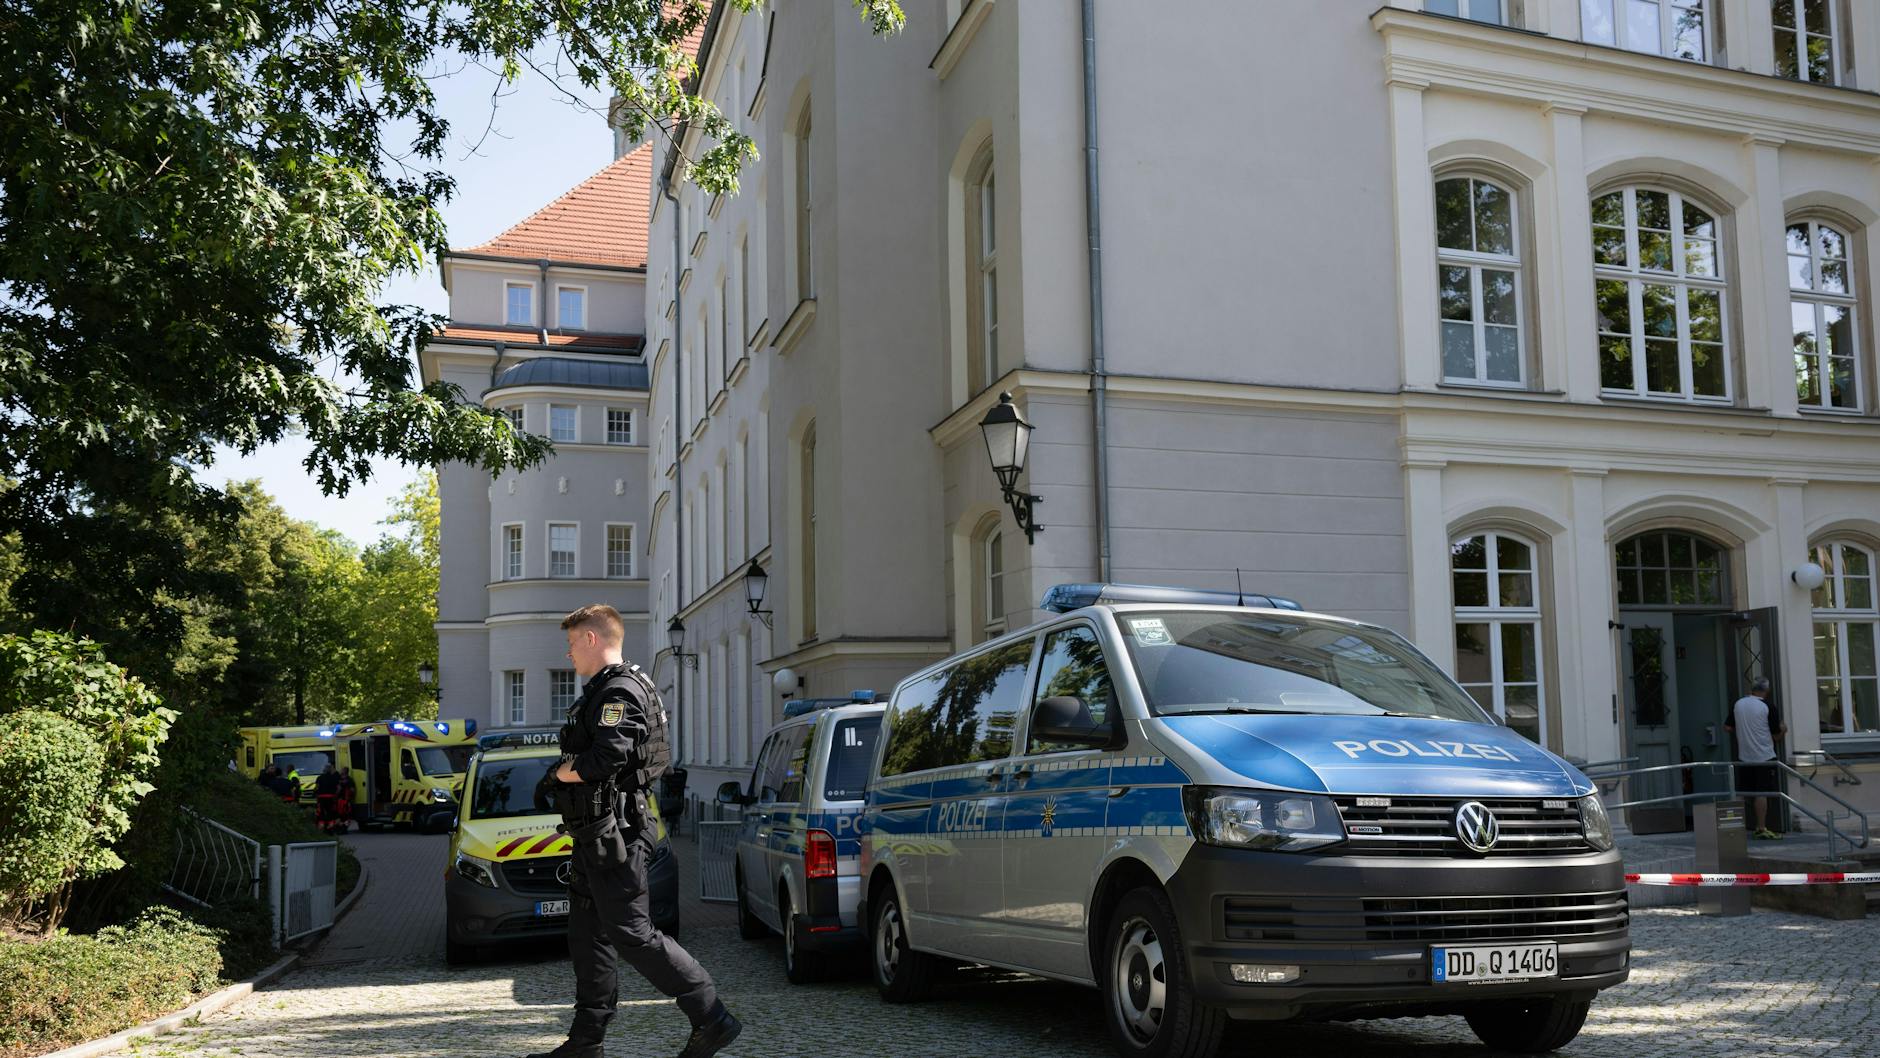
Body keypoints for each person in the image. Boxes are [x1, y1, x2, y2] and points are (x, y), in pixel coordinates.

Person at [526, 604, 741, 1058]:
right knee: (588, 936)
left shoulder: (619, 691)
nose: (568, 655)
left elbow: (608, 758)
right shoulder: (607, 689)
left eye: (570, 644)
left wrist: (561, 774)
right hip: (596, 832)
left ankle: (711, 1016)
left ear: (591, 639)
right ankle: (586, 1043)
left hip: (618, 832)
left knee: (632, 933)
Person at [1725, 677, 1786, 839]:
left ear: (1752, 689)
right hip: (1764, 755)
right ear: (1767, 691)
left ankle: (1732, 828)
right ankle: (1760, 827)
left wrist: (1744, 730)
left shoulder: (1739, 704)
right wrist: (1784, 729)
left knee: (1741, 791)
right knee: (1762, 792)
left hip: (1744, 756)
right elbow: (1776, 736)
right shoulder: (1768, 707)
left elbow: (1727, 727)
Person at [314, 764, 341, 834]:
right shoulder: (334, 778)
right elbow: (339, 788)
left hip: (321, 798)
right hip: (331, 798)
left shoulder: (319, 778)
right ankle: (330, 827)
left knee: (321, 813)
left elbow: (316, 788)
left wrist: (316, 796)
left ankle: (321, 828)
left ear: (324, 770)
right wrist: (335, 796)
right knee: (330, 813)